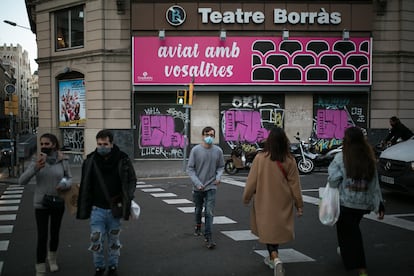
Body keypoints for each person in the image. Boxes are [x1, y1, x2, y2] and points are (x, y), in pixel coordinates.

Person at [243, 127, 303, 276]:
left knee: (268, 230)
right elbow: (295, 184)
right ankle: (274, 257)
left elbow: (252, 182)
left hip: (264, 200)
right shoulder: (289, 159)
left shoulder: (260, 158)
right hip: (283, 201)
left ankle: (274, 258)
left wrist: (246, 197)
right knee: (275, 230)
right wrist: (299, 205)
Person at [76, 129, 137, 276]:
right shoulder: (90, 160)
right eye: (99, 144)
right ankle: (99, 267)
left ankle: (113, 267)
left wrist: (128, 196)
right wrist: (83, 205)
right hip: (96, 209)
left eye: (105, 144)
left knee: (113, 241)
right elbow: (85, 184)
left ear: (111, 143)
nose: (102, 147)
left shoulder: (123, 158)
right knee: (96, 239)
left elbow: (132, 180)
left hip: (115, 208)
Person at [327, 126, 385, 276]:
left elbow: (333, 180)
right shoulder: (369, 158)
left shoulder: (341, 157)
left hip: (345, 203)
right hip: (363, 204)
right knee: (350, 230)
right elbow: (374, 185)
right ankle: (347, 255)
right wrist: (379, 204)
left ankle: (361, 267)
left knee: (351, 234)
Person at [19, 133, 72, 276]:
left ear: (54, 145)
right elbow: (21, 181)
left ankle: (52, 259)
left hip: (58, 202)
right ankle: (40, 266)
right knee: (42, 236)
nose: (43, 146)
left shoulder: (63, 160)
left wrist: (64, 184)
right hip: (41, 202)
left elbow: (69, 178)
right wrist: (35, 167)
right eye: (41, 144)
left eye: (47, 144)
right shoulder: (36, 160)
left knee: (55, 234)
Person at [187, 126, 225, 249]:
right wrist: (197, 183)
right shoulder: (196, 150)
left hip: (211, 186)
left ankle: (208, 237)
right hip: (198, 187)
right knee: (198, 209)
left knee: (209, 212)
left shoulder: (218, 151)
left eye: (212, 135)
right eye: (208, 134)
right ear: (202, 135)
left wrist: (218, 177)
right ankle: (198, 225)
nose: (210, 137)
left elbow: (221, 166)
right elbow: (190, 169)